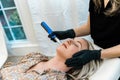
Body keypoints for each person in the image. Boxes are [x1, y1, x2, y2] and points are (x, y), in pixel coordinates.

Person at [48, 0, 120, 68]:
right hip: (100, 52)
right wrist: (67, 33)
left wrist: (95, 55)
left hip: (115, 56)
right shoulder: (96, 1)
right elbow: (89, 27)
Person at [0, 38, 101, 80]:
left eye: (77, 44)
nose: (70, 40)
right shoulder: (35, 56)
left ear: (82, 59)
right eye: (72, 39)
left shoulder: (56, 78)